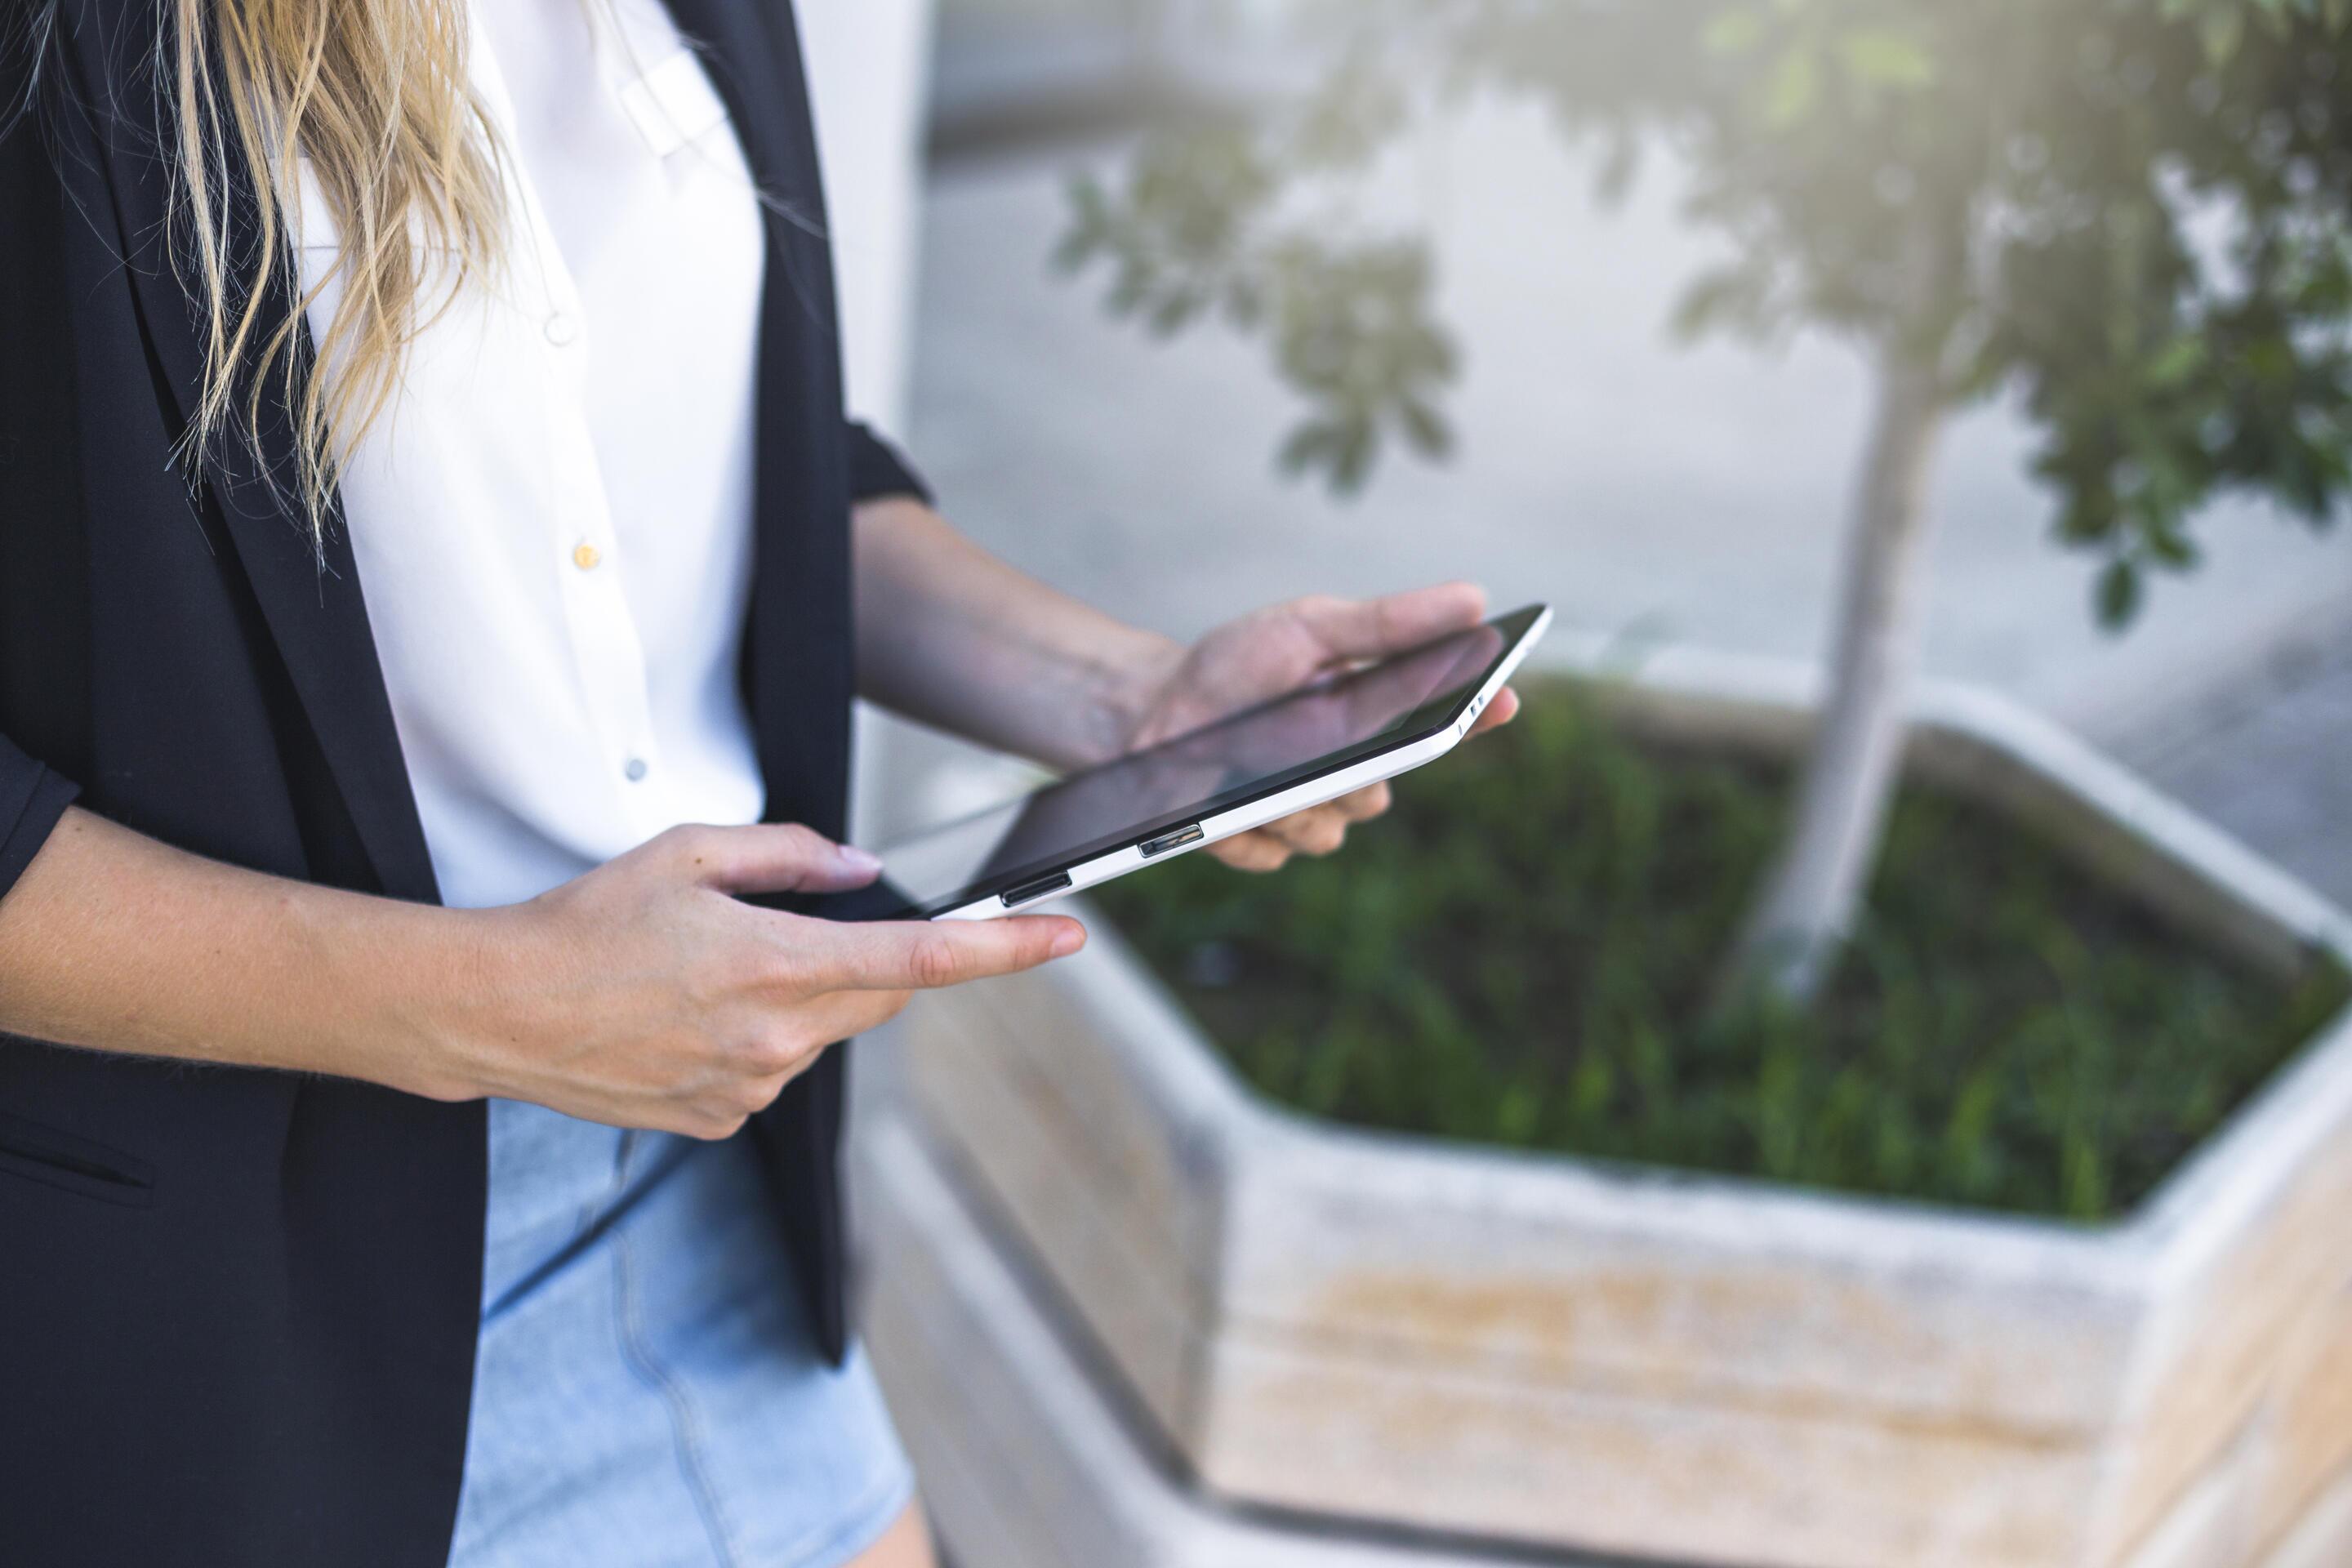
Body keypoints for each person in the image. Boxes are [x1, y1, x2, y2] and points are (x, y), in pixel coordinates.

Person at [0, 1, 1518, 1565]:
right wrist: (497, 1002)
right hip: (203, 1313)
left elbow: (732, 476)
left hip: (686, 1175)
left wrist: (1131, 699)